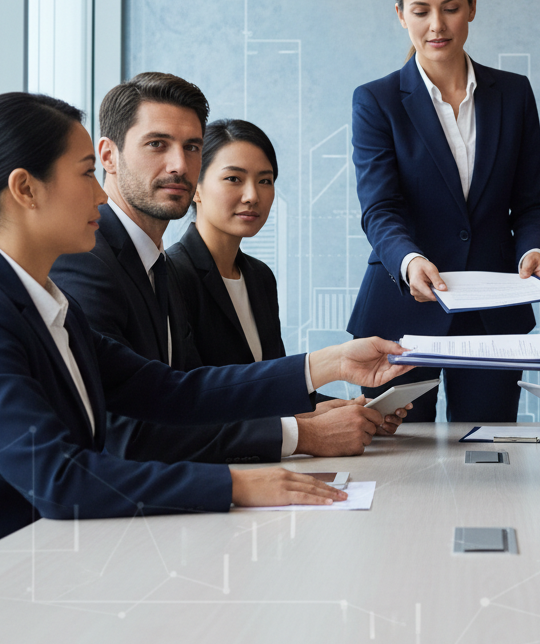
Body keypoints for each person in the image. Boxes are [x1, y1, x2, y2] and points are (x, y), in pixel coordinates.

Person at [0, 93, 412, 561]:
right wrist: (236, 485)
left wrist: (331, 361)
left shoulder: (54, 307)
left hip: (59, 557)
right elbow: (59, 478)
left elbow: (174, 392)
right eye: (87, 172)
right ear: (26, 189)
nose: (100, 194)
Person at [51, 73, 387, 463]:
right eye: (157, 144)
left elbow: (190, 394)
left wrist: (327, 376)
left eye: (192, 147)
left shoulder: (157, 265)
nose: (179, 165)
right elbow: (123, 433)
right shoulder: (85, 261)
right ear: (108, 156)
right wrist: (301, 433)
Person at [348, 0, 540, 422]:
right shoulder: (376, 101)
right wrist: (410, 261)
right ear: (401, 15)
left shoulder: (514, 94)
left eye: (451, 8)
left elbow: (531, 203)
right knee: (396, 452)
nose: (436, 25)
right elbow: (380, 209)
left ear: (472, 8)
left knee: (488, 450)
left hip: (493, 312)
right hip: (402, 309)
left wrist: (533, 249)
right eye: (421, 11)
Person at [167, 118, 410, 453]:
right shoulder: (172, 275)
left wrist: (349, 412)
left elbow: (268, 388)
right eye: (234, 178)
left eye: (265, 181)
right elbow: (196, 405)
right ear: (195, 186)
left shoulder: (259, 277)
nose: (252, 195)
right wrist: (309, 428)